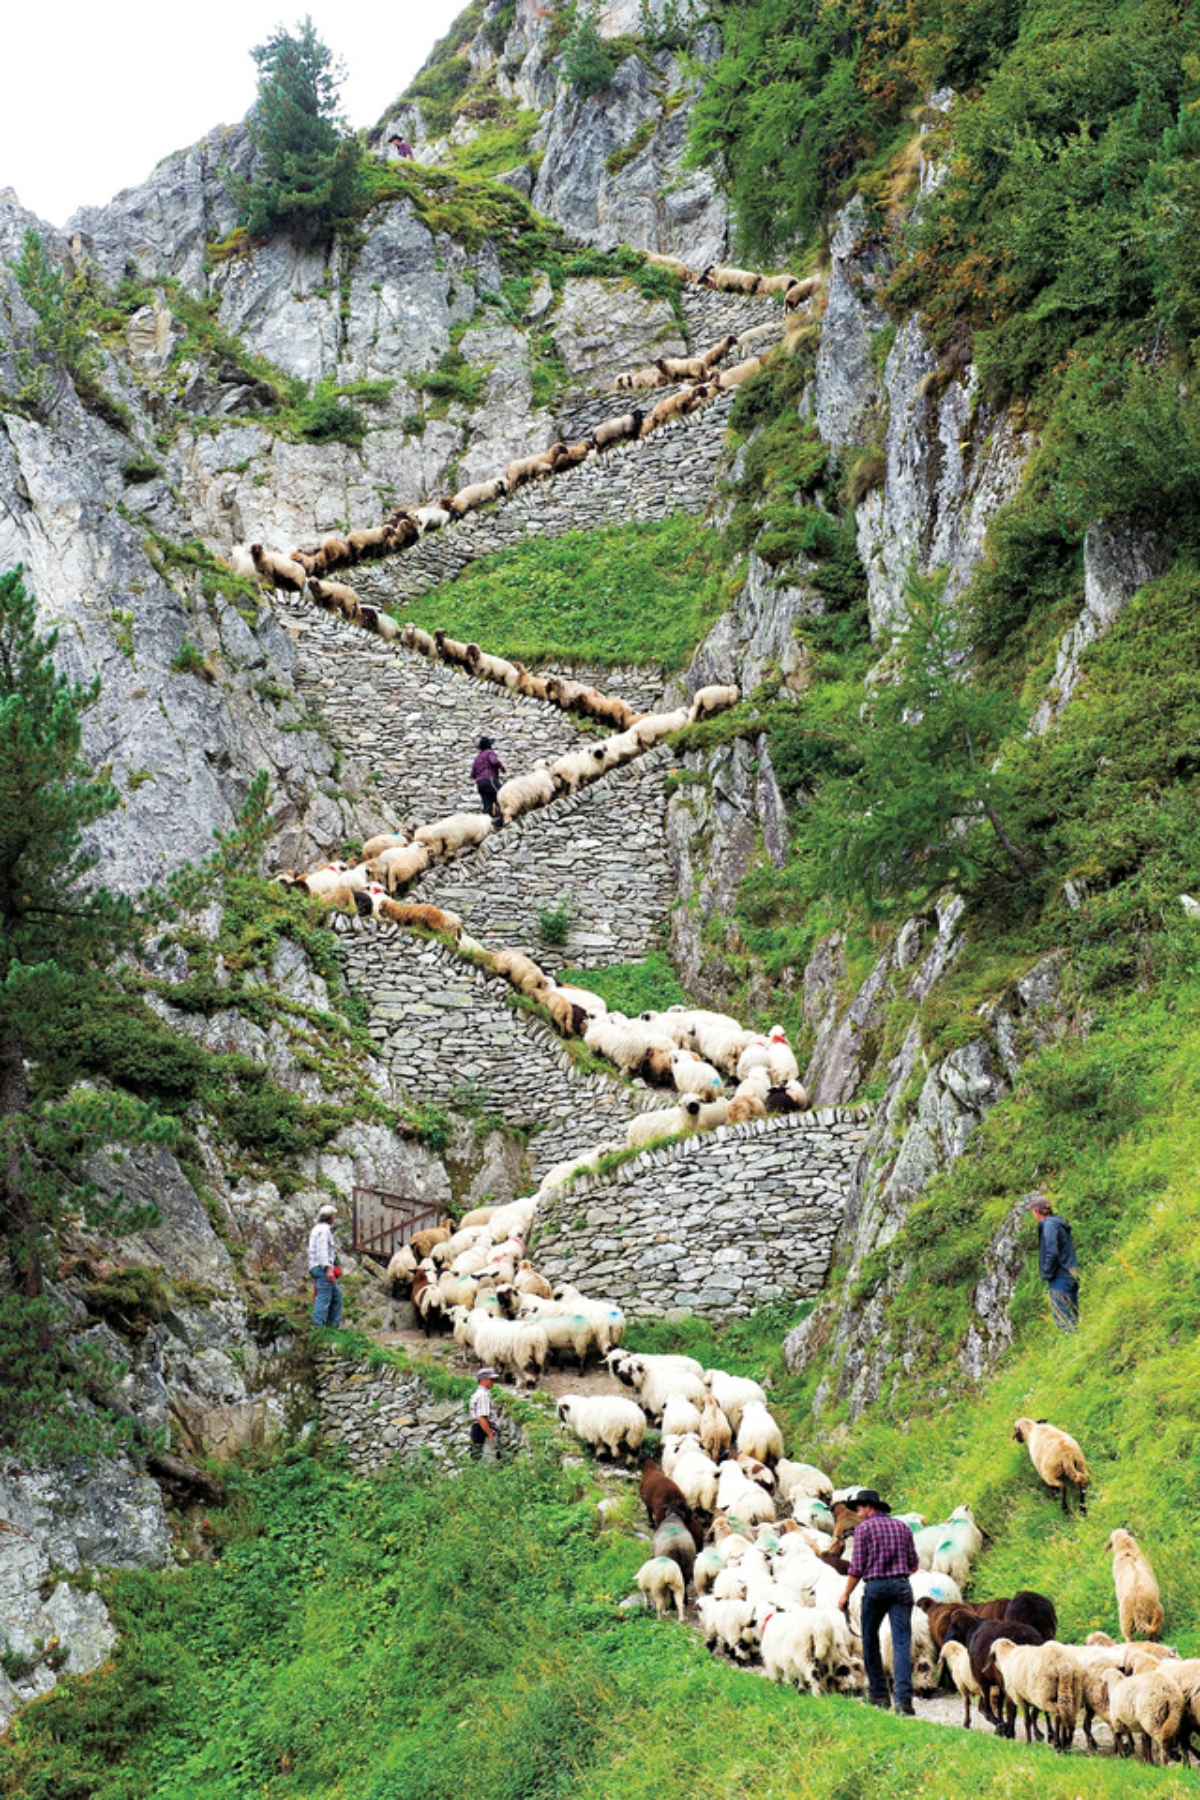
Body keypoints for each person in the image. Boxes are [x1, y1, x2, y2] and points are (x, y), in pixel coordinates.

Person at [838, 1488, 919, 1715]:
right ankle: (904, 1702)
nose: (858, 1513)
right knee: (901, 1642)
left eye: (859, 1508)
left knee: (870, 1639)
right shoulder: (902, 1527)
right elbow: (914, 1563)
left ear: (868, 1507)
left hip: (875, 1588)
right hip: (902, 1587)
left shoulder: (863, 1530)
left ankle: (879, 1695)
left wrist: (845, 1594)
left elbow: (857, 1567)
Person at [1029, 1193, 1079, 1330]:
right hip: (1072, 1272)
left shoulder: (1049, 1226)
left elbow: (1052, 1251)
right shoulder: (1058, 1222)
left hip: (1060, 1275)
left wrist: (1046, 1272)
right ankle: (1077, 1343)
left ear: (1036, 1211)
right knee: (1073, 1315)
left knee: (1064, 1319)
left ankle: (1071, 1346)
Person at [307, 1201, 343, 1328]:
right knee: (324, 1298)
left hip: (317, 1267)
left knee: (336, 1296)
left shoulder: (317, 1229)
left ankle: (333, 1326)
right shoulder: (325, 1230)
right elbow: (322, 1250)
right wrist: (328, 1269)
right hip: (322, 1268)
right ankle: (318, 1327)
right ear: (330, 1217)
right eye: (334, 1216)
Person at [471, 736, 505, 822]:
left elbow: (473, 774)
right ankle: (501, 820)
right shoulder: (489, 752)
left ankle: (487, 824)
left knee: (487, 804)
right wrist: (501, 767)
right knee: (502, 796)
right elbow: (494, 762)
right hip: (489, 779)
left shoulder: (477, 758)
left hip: (480, 783)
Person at [469, 1367, 500, 1460]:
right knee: (488, 1458)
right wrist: (490, 1434)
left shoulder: (477, 1394)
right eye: (491, 1380)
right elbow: (481, 1418)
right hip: (483, 1429)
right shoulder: (483, 1396)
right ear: (484, 1380)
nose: (493, 1382)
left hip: (478, 1429)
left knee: (476, 1456)